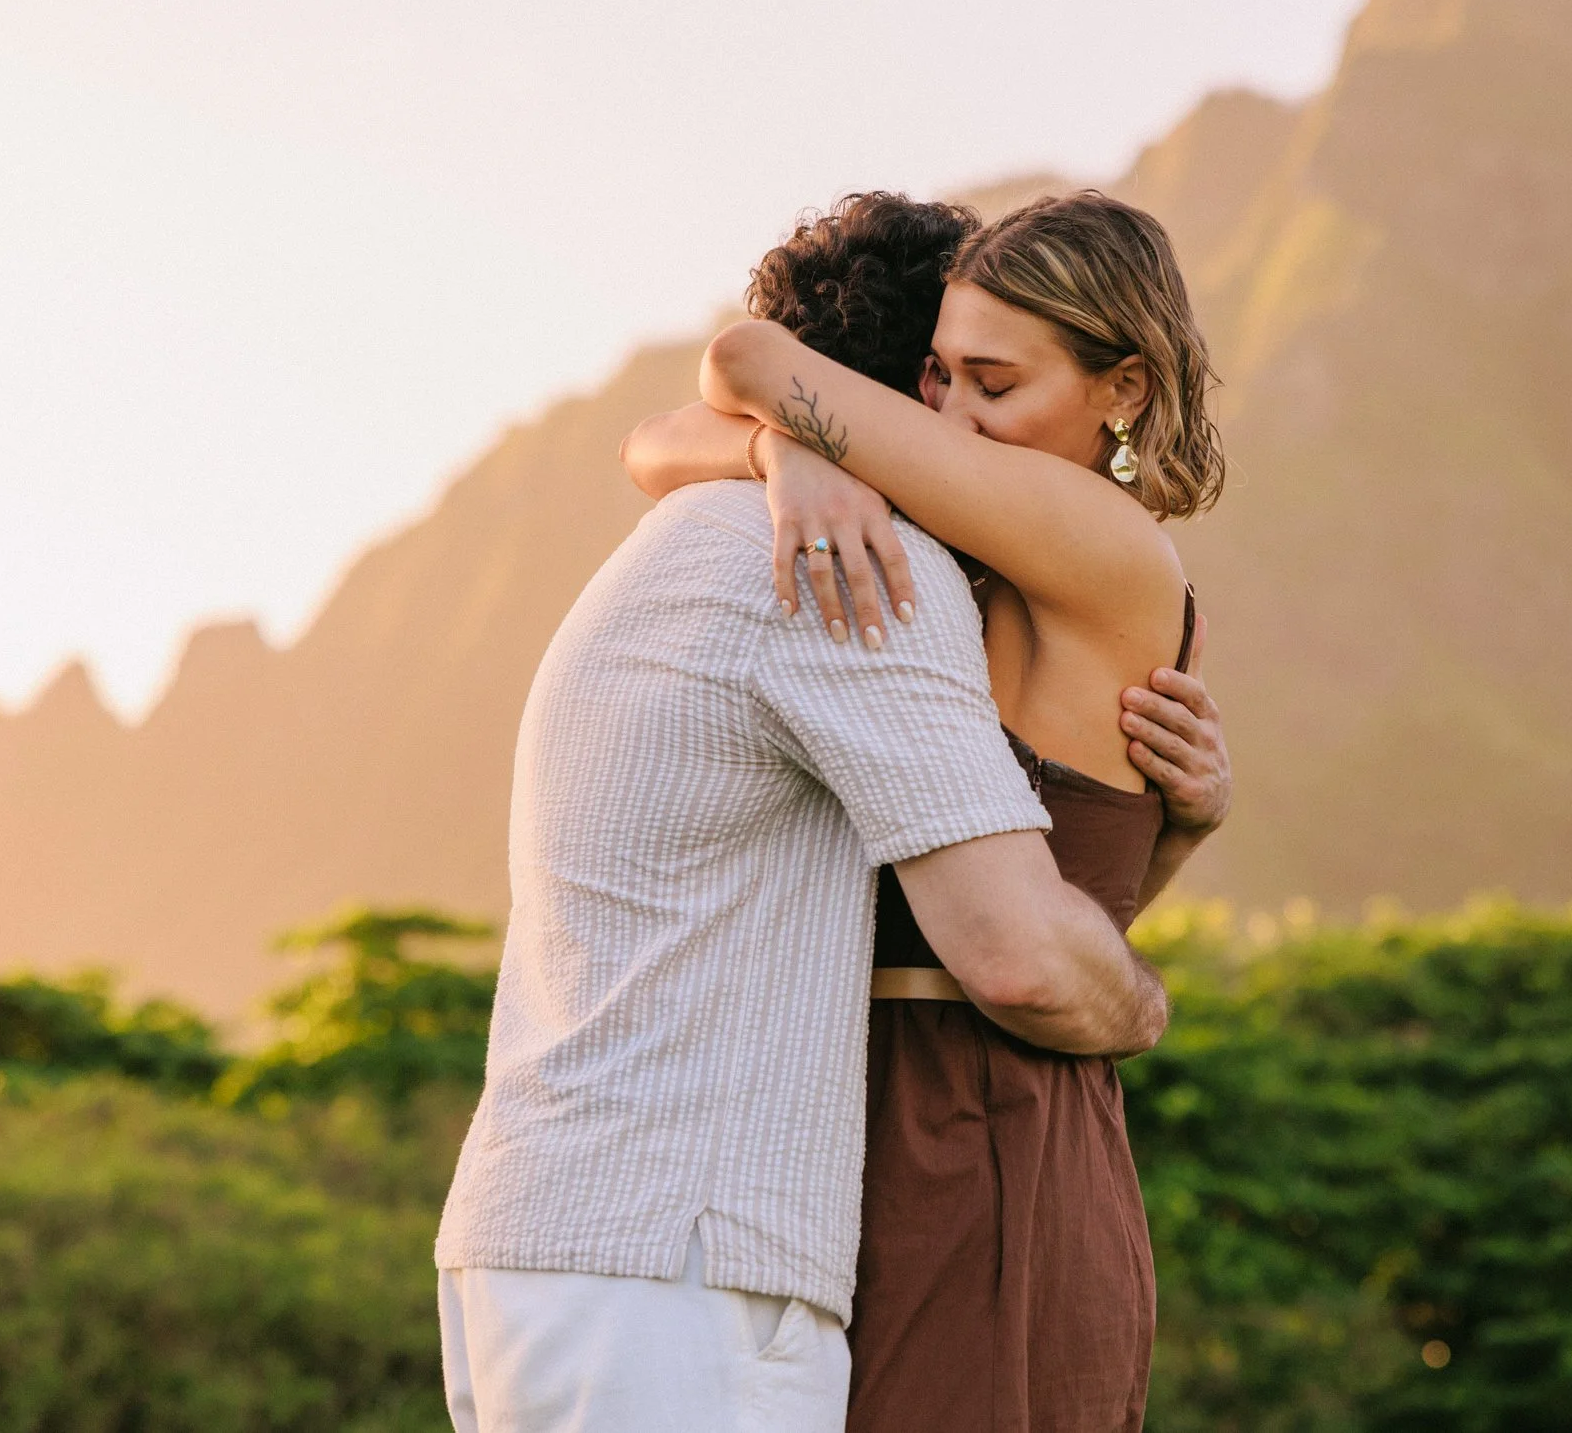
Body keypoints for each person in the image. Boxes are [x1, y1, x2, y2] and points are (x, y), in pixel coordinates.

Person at [433, 197, 1217, 1433]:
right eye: (933, 379)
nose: (952, 418)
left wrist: (775, 437)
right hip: (796, 1176)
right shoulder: (868, 559)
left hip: (972, 1140)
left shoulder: (1016, 553)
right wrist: (773, 450)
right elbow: (707, 405)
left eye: (991, 383)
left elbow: (732, 377)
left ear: (1123, 386)